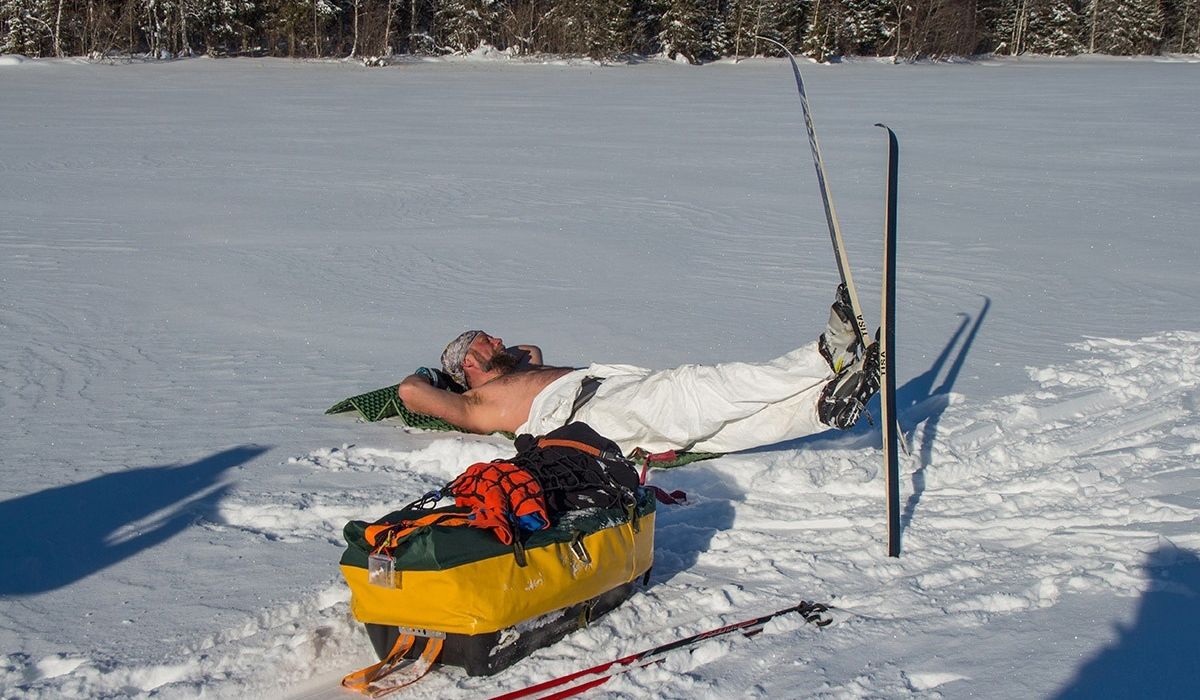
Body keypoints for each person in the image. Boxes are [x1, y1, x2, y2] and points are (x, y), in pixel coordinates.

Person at [397, 286, 879, 455]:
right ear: (467, 360)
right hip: (591, 413)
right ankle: (822, 357)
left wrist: (488, 358)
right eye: (487, 339)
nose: (501, 340)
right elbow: (409, 391)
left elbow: (530, 347)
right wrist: (436, 374)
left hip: (610, 393)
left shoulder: (514, 370)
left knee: (714, 428)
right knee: (695, 390)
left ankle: (822, 407)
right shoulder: (476, 403)